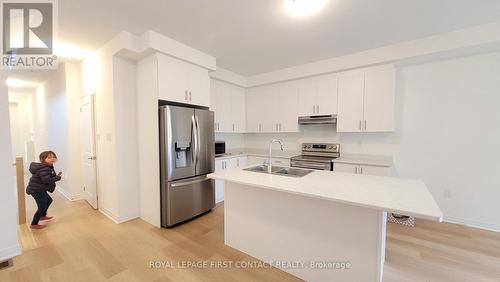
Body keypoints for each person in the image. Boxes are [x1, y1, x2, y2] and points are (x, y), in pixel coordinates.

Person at [26, 151, 62, 229]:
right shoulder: (45, 168)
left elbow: (47, 178)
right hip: (36, 190)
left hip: (40, 188)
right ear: (43, 159)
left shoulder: (48, 166)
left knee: (49, 200)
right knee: (41, 207)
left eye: (53, 157)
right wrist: (56, 178)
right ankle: (34, 224)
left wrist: (54, 177)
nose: (52, 159)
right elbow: (46, 180)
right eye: (49, 157)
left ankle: (42, 215)